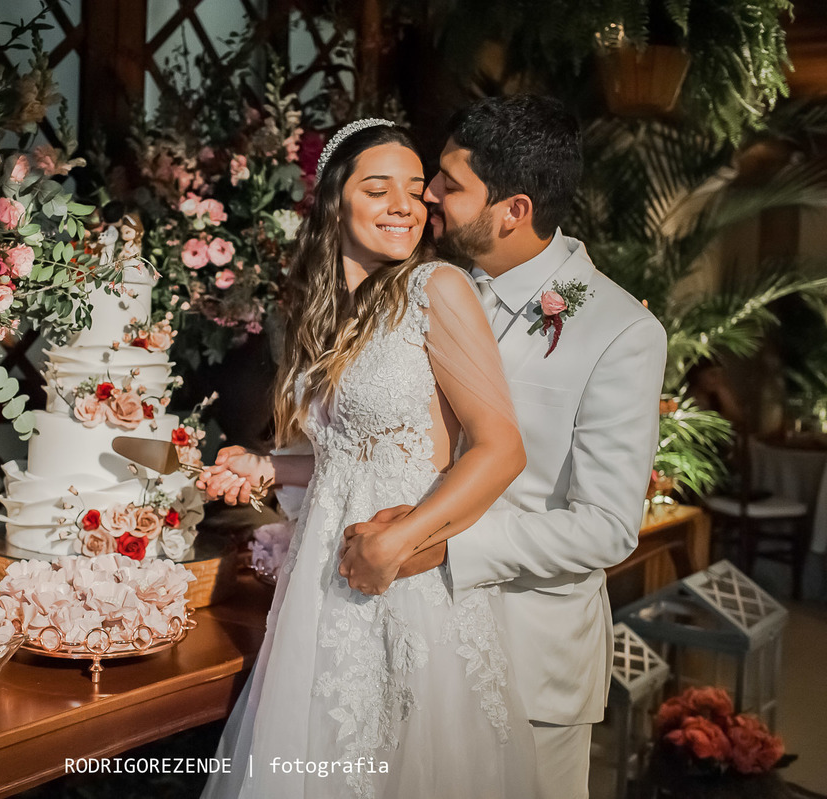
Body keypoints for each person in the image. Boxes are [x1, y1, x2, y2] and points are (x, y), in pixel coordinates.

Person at [340, 96, 669, 799]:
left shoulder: (618, 331)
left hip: (528, 664)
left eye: (450, 185)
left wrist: (444, 545)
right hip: (410, 638)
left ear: (513, 209)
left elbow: (608, 526)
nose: (426, 194)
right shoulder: (416, 285)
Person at [198, 119, 537, 799]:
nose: (406, 204)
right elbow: (347, 457)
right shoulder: (333, 312)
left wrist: (397, 542)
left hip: (402, 583)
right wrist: (270, 467)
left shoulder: (436, 288)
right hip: (323, 589)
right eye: (379, 188)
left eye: (416, 190)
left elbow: (501, 447)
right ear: (334, 202)